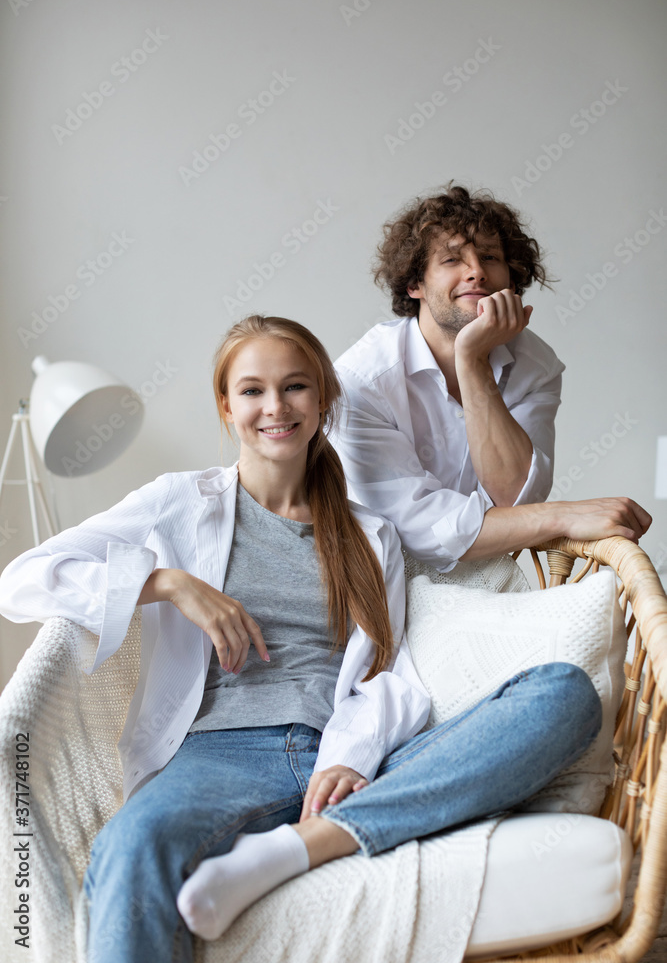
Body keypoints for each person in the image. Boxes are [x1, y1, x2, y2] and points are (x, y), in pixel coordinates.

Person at [0, 316, 629, 961]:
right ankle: (320, 838)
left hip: (351, 760)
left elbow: (386, 673)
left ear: (324, 399)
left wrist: (351, 755)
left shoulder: (370, 535)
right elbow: (21, 580)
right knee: (133, 847)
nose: (275, 407)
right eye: (252, 391)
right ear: (226, 407)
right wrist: (167, 583)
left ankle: (302, 845)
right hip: (222, 760)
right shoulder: (181, 503)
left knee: (565, 696)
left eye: (295, 387)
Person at [332, 184, 650, 568]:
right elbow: (417, 530)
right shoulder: (360, 380)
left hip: (486, 578)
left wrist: (472, 359)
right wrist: (562, 514)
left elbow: (517, 498)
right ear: (415, 284)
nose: (477, 272)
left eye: (489, 257)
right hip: (376, 580)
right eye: (452, 260)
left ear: (511, 281)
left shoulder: (535, 365)